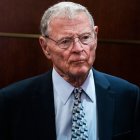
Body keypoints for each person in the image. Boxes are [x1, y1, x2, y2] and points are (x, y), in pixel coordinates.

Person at [0, 1, 139, 140]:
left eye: (85, 37)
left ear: (95, 36)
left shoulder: (129, 97)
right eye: (65, 41)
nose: (78, 49)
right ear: (45, 47)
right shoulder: (12, 102)